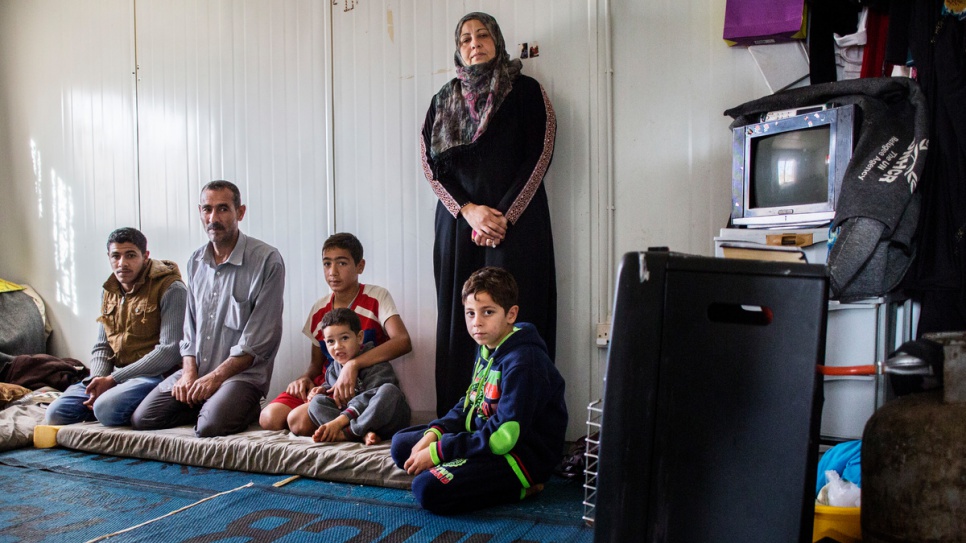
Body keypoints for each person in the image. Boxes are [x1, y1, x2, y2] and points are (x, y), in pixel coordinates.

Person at [421, 11, 557, 416]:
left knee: (517, 314)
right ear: (458, 49)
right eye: (465, 38)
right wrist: (469, 212)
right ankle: (457, 423)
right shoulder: (442, 100)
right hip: (459, 224)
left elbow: (540, 153)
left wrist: (503, 218)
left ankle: (521, 424)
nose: (474, 42)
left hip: (517, 224)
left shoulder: (526, 91)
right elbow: (431, 166)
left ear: (497, 40)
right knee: (461, 320)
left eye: (482, 35)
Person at [390, 267, 567, 515]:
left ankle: (520, 489)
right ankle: (463, 468)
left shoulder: (524, 362)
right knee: (401, 445)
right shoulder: (488, 344)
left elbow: (502, 437)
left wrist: (441, 450)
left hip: (519, 456)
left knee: (426, 489)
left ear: (511, 314)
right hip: (485, 437)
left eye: (488, 312)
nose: (477, 323)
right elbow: (471, 402)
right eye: (470, 313)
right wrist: (435, 433)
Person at [131, 180, 285, 437]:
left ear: (240, 212)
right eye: (207, 209)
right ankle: (207, 403)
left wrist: (214, 379)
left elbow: (259, 342)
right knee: (143, 418)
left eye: (223, 209)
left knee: (210, 427)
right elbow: (189, 331)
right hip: (198, 371)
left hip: (241, 377)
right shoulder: (195, 261)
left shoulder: (267, 260)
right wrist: (189, 374)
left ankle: (231, 406)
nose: (214, 218)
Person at [258, 233, 412, 435]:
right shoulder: (319, 308)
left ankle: (347, 429)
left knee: (299, 422)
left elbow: (402, 341)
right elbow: (316, 364)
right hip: (329, 386)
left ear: (360, 266)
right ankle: (356, 427)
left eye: (341, 263)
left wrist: (353, 365)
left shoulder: (376, 296)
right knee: (268, 418)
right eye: (327, 264)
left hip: (364, 385)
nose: (333, 272)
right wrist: (305, 379)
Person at [45, 227, 186, 426]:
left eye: (130, 255)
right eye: (116, 256)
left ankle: (128, 406)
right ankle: (107, 401)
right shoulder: (109, 290)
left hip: (155, 375)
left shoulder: (171, 288)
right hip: (119, 376)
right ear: (108, 257)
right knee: (56, 414)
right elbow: (102, 346)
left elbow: (170, 351)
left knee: (106, 409)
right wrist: (97, 381)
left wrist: (113, 379)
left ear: (145, 256)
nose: (122, 263)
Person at [307, 308, 410, 445]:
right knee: (316, 403)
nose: (338, 346)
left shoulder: (376, 362)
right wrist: (322, 390)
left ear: (359, 337)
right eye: (331, 341)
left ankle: (348, 433)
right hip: (355, 420)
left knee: (389, 391)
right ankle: (361, 434)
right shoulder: (333, 369)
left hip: (385, 421)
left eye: (344, 338)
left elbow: (372, 395)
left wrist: (342, 420)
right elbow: (332, 386)